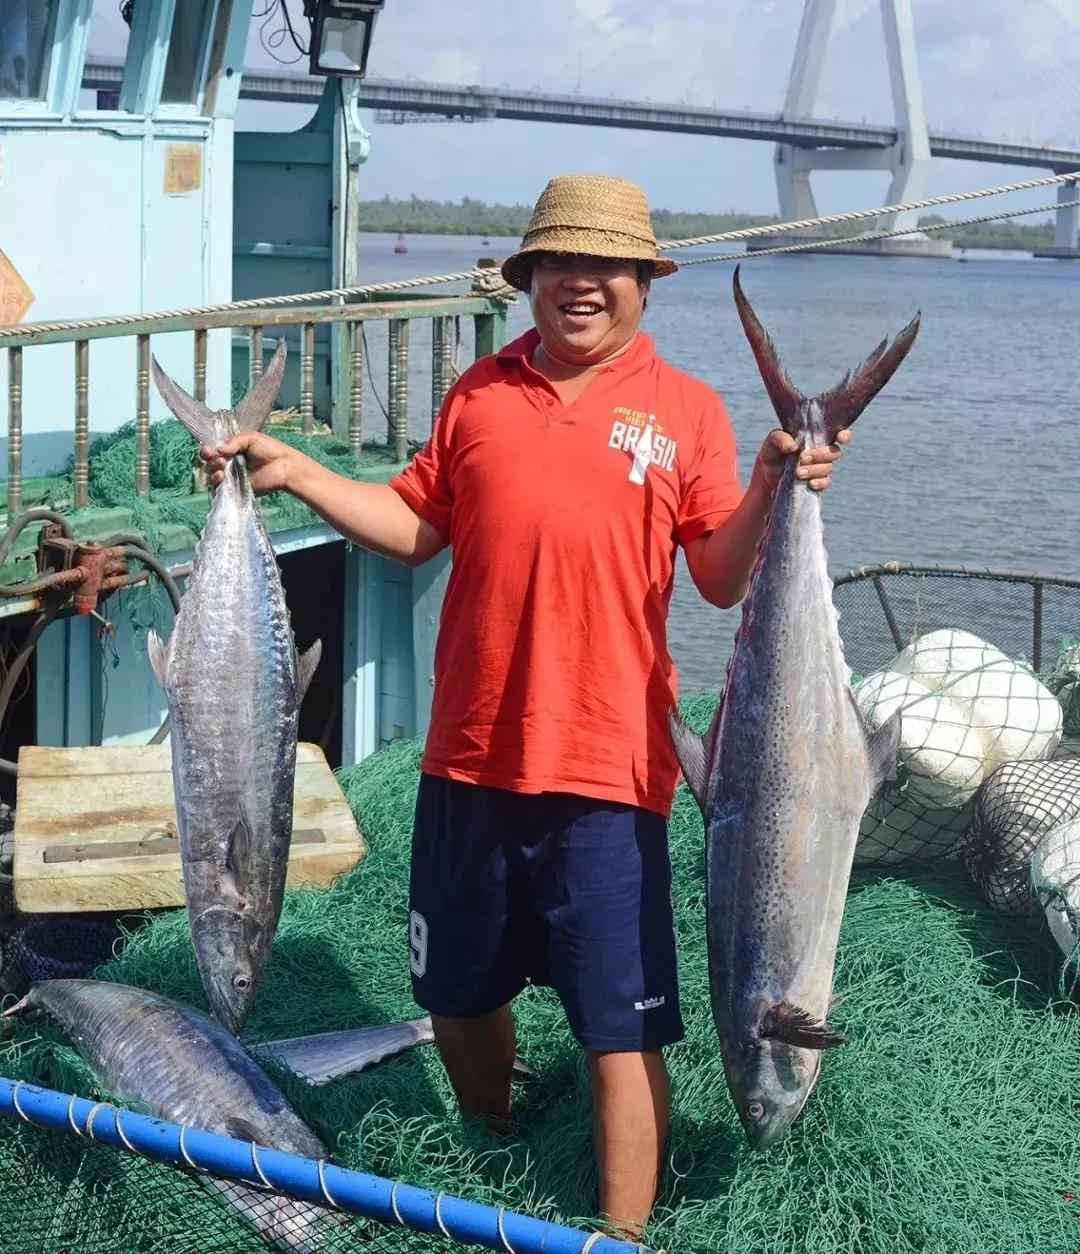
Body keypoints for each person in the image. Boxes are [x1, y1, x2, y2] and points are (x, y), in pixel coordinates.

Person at [201, 173, 849, 1239]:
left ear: (644, 283)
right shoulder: (480, 394)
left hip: (612, 766)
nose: (582, 284)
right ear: (530, 279)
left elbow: (725, 578)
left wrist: (781, 483)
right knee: (457, 992)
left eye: (608, 268)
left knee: (620, 1026)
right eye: (561, 265)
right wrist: (296, 470)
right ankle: (492, 1132)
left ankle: (621, 1230)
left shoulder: (686, 408)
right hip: (469, 758)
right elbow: (416, 523)